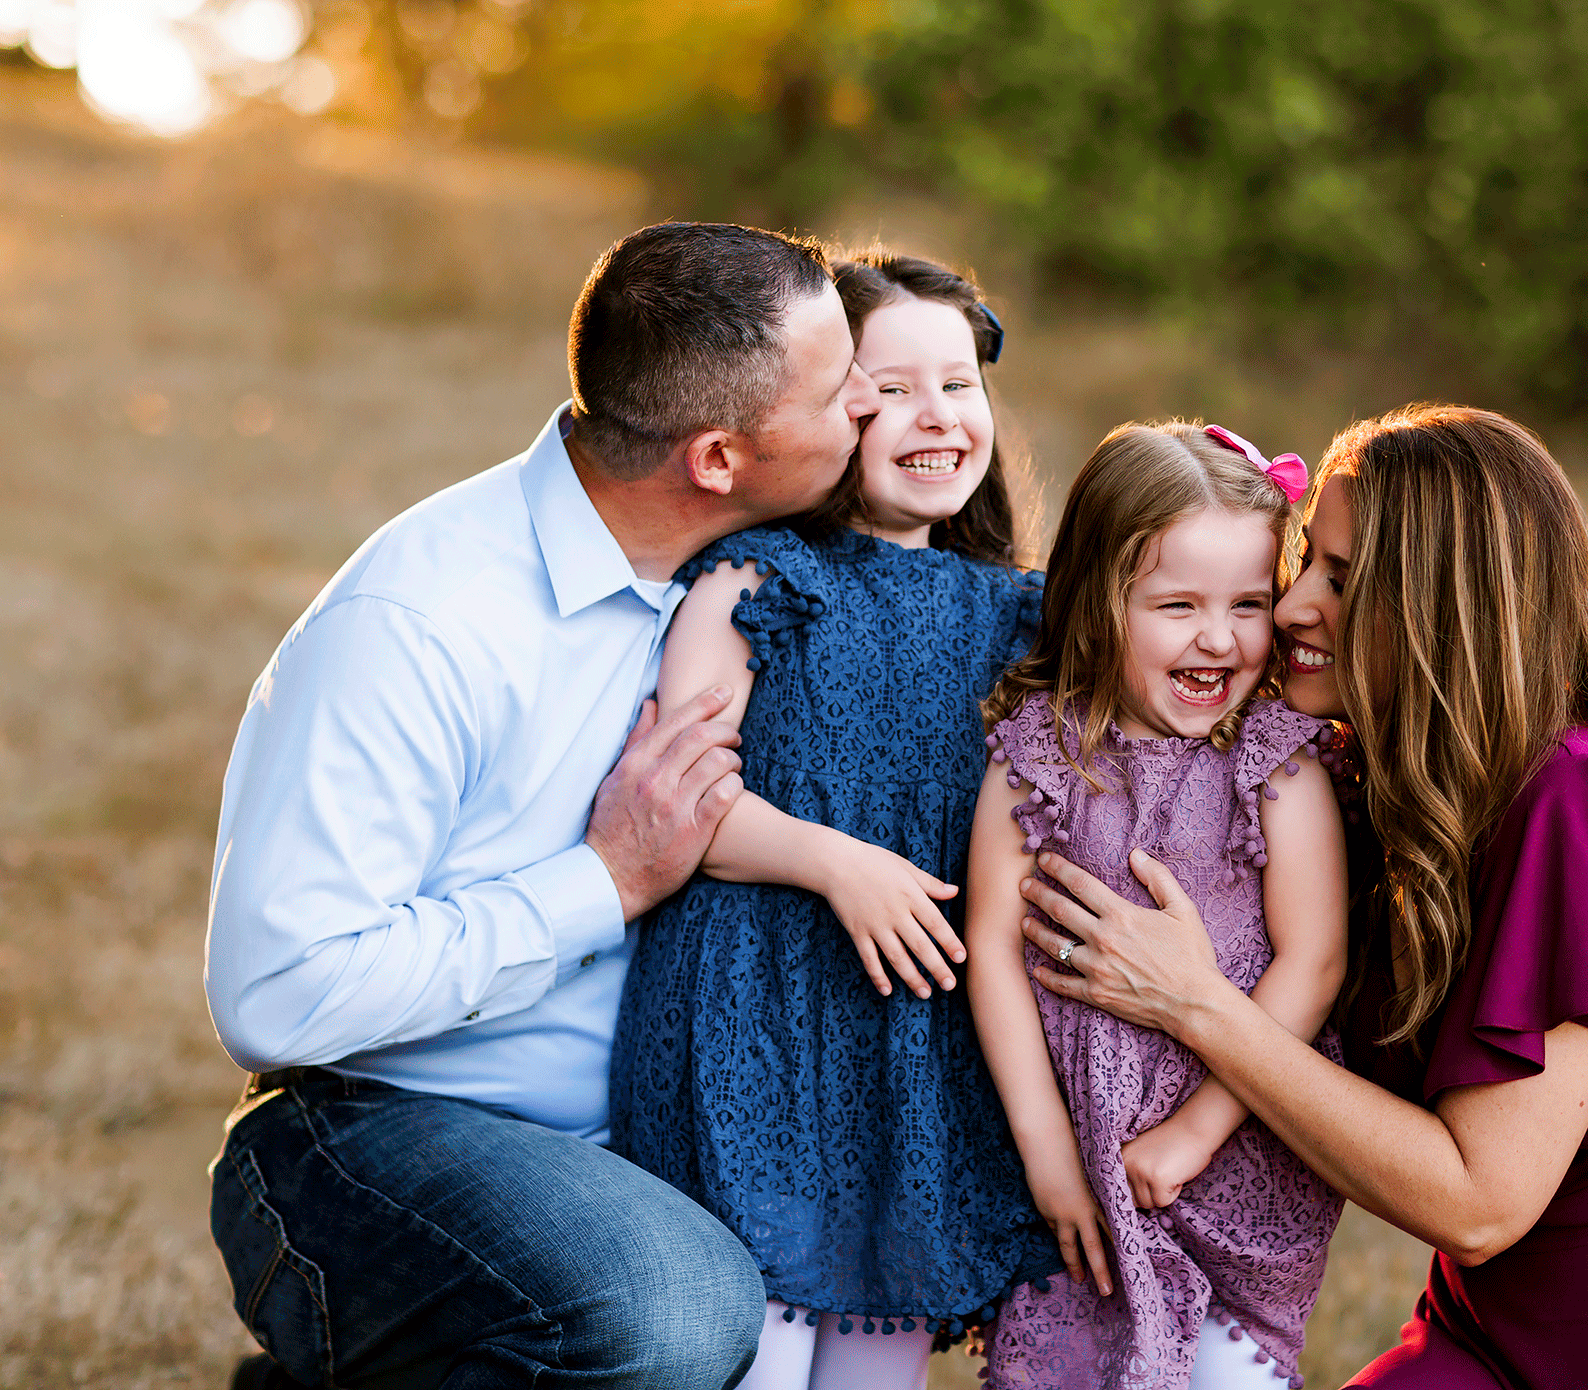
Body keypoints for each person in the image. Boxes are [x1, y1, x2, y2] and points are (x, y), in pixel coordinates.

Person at [1010, 404, 1588, 1389]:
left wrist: (1198, 1007)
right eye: (1303, 563)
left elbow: (1479, 1202)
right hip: (1500, 1333)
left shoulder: (1580, 796)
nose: (1289, 609)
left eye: (1341, 579)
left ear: (1443, 607)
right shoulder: (1360, 778)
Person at [204, 222, 881, 1390]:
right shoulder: (421, 622)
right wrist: (603, 881)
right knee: (671, 1309)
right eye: (839, 387)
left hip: (648, 1135)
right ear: (717, 456)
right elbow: (278, 993)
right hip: (367, 1133)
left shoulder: (757, 565)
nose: (868, 399)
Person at [608, 251, 1062, 1390]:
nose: (937, 415)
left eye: (958, 384)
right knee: (756, 1354)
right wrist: (833, 863)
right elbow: (681, 804)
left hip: (910, 1047)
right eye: (891, 387)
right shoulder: (761, 581)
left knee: (876, 1364)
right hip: (753, 1023)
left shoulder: (1020, 615)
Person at [966, 422, 1349, 1390]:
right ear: (1100, 603)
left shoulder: (1274, 763)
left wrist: (1196, 1129)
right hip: (1078, 1145)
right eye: (1177, 604)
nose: (1217, 637)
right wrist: (1048, 1152)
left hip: (1234, 1139)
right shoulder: (1040, 752)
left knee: (1226, 1372)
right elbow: (994, 951)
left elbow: (1313, 962)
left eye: (1249, 605)